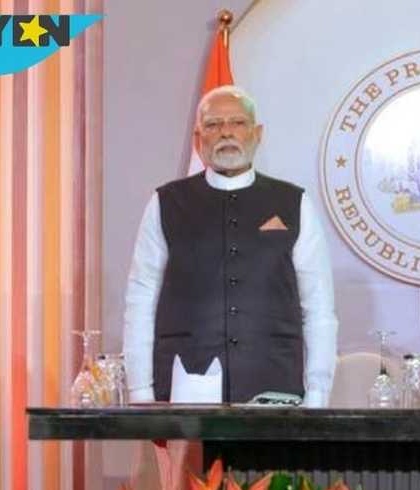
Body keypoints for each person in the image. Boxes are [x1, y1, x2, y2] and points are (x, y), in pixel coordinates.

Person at [123, 85, 338, 407]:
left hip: (272, 386)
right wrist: (140, 389)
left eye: (237, 123)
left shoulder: (294, 202)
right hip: (186, 389)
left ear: (257, 133)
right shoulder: (167, 203)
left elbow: (319, 307)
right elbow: (141, 298)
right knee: (192, 460)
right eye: (213, 125)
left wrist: (318, 393)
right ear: (198, 139)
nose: (226, 133)